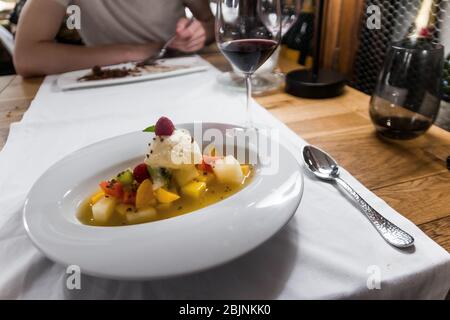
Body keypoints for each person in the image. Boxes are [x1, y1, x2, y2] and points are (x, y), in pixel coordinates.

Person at [13, 0, 215, 77]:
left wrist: (200, 33)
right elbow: (27, 56)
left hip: (180, 73)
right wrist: (135, 52)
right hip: (103, 82)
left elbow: (211, 23)